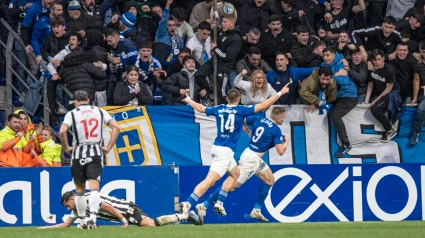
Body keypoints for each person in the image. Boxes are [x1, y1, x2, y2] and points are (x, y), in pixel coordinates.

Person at [179, 81, 291, 219]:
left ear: (227, 98)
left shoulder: (219, 108)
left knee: (235, 173)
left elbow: (201, 109)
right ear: (239, 99)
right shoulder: (241, 110)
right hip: (225, 151)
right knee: (210, 181)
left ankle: (219, 202)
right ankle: (189, 203)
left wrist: (190, 100)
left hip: (219, 147)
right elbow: (263, 105)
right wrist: (280, 92)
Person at [196, 107, 290, 223]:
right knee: (231, 186)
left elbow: (241, 121)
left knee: (270, 180)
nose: (284, 119)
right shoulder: (276, 130)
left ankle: (256, 209)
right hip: (251, 161)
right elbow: (280, 152)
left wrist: (248, 132)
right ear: (279, 117)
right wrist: (286, 142)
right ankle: (204, 205)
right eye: (283, 116)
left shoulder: (258, 119)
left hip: (252, 156)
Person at [59, 90, 120, 229]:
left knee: (80, 190)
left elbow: (62, 131)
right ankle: (93, 218)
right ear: (88, 99)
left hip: (78, 152)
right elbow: (116, 127)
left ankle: (81, 222)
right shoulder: (100, 111)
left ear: (75, 102)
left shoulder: (72, 113)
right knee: (94, 189)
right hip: (95, 152)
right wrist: (108, 147)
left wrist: (67, 147)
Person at [38, 191, 200, 229]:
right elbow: (66, 225)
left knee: (150, 224)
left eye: (68, 204)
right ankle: (184, 215)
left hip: (126, 209)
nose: (68, 208)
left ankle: (184, 214)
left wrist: (123, 220)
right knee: (150, 224)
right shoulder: (78, 209)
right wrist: (45, 228)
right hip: (123, 212)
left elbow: (108, 207)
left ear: (72, 198)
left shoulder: (87, 199)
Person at [321, 47, 358, 157]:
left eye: (328, 55)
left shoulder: (341, 64)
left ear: (333, 55)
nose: (326, 58)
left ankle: (346, 144)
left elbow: (345, 81)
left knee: (335, 115)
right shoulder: (323, 66)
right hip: (336, 96)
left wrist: (331, 77)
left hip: (349, 96)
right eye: (324, 56)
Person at [363, 49, 401, 143]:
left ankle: (390, 129)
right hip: (379, 92)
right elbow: (370, 85)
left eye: (379, 59)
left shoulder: (389, 69)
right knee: (370, 106)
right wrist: (367, 100)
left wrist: (375, 101)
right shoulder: (371, 68)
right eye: (375, 60)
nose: (377, 62)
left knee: (375, 108)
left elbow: (388, 88)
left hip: (391, 92)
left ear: (383, 58)